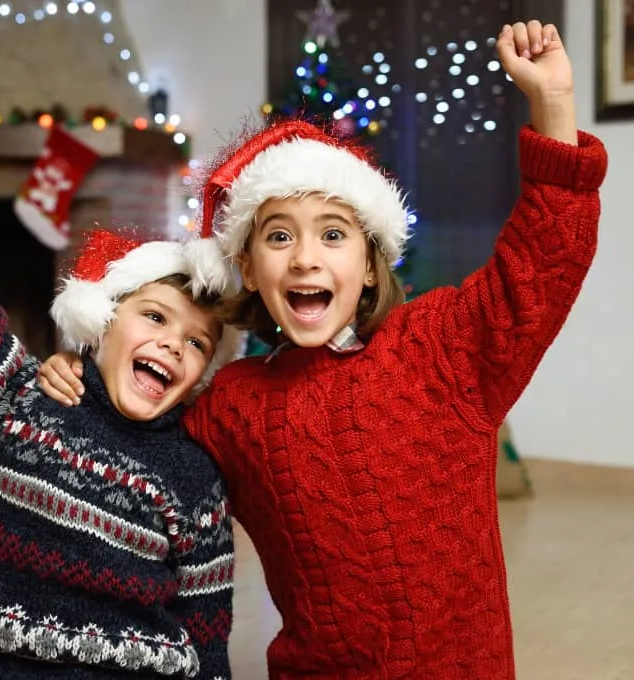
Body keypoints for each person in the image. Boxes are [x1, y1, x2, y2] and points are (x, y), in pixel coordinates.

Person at [36, 21, 607, 679]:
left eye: (332, 235)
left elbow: (543, 260)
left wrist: (553, 102)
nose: (305, 258)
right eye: (279, 237)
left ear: (369, 263)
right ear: (248, 269)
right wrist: (78, 377)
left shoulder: (442, 348)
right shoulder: (235, 405)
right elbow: (140, 435)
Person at [0, 94, 242, 680]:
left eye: (197, 343)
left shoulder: (193, 475)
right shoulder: (19, 403)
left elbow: (207, 625)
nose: (173, 345)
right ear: (102, 323)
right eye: (155, 318)